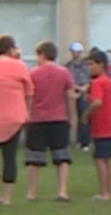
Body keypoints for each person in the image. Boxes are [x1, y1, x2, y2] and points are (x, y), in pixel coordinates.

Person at [23, 41, 78, 203]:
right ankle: (62, 191)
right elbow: (70, 97)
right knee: (62, 157)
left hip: (37, 119)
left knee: (34, 158)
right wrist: (72, 118)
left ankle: (32, 192)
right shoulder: (65, 72)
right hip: (59, 119)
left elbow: (29, 97)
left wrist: (27, 115)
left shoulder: (32, 74)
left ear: (41, 55)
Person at [0, 35, 32, 206]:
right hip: (14, 117)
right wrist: (27, 112)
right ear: (11, 49)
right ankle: (7, 198)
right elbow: (29, 92)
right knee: (9, 157)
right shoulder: (20, 66)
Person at [83, 49, 111, 200]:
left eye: (91, 64)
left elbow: (97, 102)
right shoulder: (108, 81)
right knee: (108, 159)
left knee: (100, 159)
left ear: (101, 64)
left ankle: (104, 192)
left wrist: (86, 115)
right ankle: (109, 191)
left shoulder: (98, 82)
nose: (89, 68)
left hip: (101, 125)